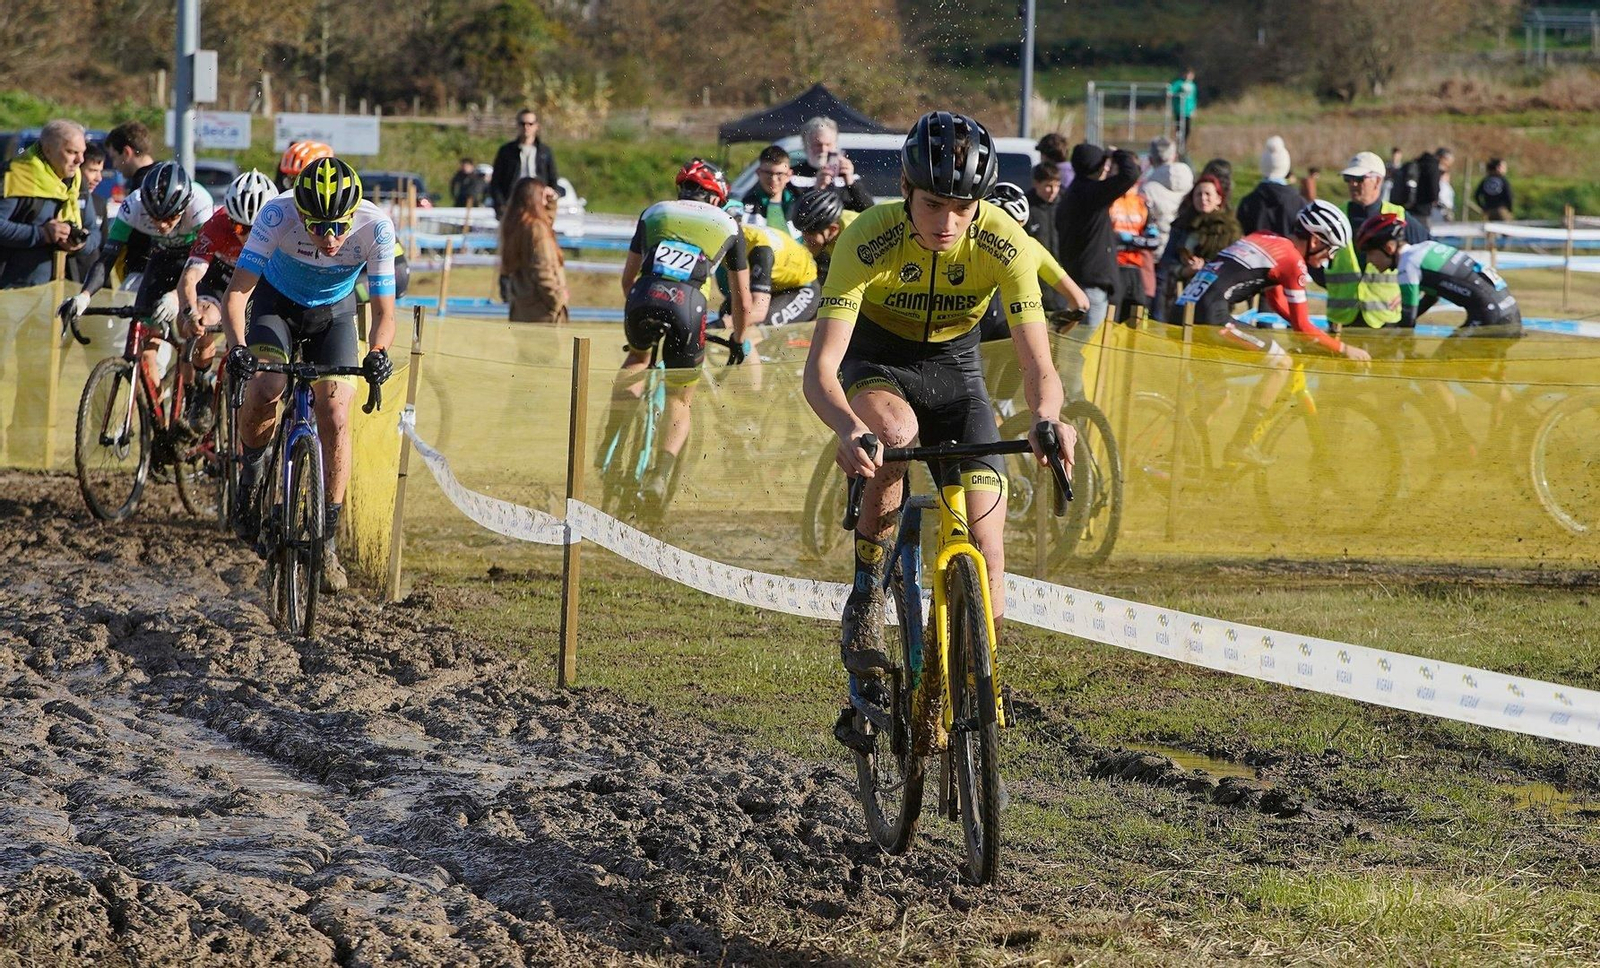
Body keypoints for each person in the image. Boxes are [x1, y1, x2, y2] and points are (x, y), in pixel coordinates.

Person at [800, 111, 1074, 752]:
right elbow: (820, 369)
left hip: (958, 379)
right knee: (892, 434)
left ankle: (983, 678)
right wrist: (846, 427)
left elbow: (1040, 367)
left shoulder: (1003, 240)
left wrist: (1046, 419)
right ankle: (867, 594)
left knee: (987, 536)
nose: (947, 221)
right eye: (932, 204)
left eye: (962, 206)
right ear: (904, 188)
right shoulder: (868, 236)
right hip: (878, 366)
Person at [222, 157, 395, 593]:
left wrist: (377, 352)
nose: (331, 237)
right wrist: (238, 349)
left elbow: (383, 312)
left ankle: (327, 542)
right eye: (318, 226)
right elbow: (237, 293)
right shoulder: (276, 213)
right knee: (267, 386)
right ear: (300, 214)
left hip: (334, 314)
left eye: (339, 225)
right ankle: (251, 473)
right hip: (276, 307)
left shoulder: (376, 227)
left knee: (335, 412)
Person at [600, 159, 753, 509]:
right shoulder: (729, 222)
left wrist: (640, 310)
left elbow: (628, 278)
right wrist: (739, 338)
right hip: (688, 305)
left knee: (638, 357)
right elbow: (742, 300)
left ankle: (612, 440)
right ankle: (660, 474)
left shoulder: (655, 211)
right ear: (716, 198)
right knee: (679, 399)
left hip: (643, 294)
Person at [1176, 200, 1372, 465]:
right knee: (1281, 363)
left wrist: (1314, 335)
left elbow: (1279, 302)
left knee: (1217, 398)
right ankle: (1240, 445)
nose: (1330, 258)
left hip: (1181, 312)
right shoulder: (1293, 261)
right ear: (1315, 241)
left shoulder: (1268, 239)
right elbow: (1303, 326)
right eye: (1331, 250)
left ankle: (1181, 459)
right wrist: (1344, 349)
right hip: (1211, 317)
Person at [61, 161, 214, 345]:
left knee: (189, 331)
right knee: (145, 336)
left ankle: (193, 370)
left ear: (184, 208)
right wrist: (84, 296)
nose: (162, 225)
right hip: (162, 257)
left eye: (171, 217)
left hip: (196, 262)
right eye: (154, 217)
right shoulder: (133, 205)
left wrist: (176, 296)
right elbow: (107, 258)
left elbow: (208, 262)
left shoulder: (200, 206)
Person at [175, 169, 276, 398]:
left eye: (255, 229)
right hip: (219, 280)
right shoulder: (217, 225)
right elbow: (189, 277)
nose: (246, 237)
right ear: (230, 219)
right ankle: (201, 390)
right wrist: (190, 314)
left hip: (259, 284)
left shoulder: (281, 230)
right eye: (239, 228)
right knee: (203, 321)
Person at [1055, 142, 1141, 397]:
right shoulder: (1089, 194)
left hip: (1075, 285)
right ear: (1097, 167)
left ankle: (1072, 397)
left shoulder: (1072, 195)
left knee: (1072, 349)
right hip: (1090, 289)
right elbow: (1130, 175)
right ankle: (1078, 400)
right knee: (1080, 351)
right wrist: (1119, 152)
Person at [1356, 213, 1520, 337]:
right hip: (1510, 311)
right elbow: (1431, 298)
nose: (1369, 261)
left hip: (1490, 315)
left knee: (1440, 366)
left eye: (1370, 253)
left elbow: (1407, 321)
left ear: (1389, 247)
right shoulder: (1425, 248)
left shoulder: (1407, 265)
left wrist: (1389, 334)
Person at [1319, 150, 1426, 331]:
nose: (1352, 184)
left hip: (1387, 321)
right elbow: (1311, 259)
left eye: (1359, 179)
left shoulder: (1399, 217)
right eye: (1348, 179)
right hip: (1343, 321)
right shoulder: (1335, 217)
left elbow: (1429, 256)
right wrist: (1332, 285)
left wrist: (1409, 294)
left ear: (1378, 180)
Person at [0, 119, 87, 289]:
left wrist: (78, 243)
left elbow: (94, 231)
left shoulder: (76, 181)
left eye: (83, 152)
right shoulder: (16, 176)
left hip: (61, 288)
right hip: (13, 292)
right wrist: (41, 234)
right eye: (71, 152)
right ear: (48, 150)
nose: (80, 160)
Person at [718, 203, 820, 329]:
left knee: (758, 326)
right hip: (776, 283)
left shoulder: (760, 248)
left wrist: (720, 325)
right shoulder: (731, 238)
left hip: (802, 288)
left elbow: (758, 313)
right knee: (727, 312)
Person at [1158, 174, 1239, 320]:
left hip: (1215, 298)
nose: (1203, 198)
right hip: (1179, 295)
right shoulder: (1181, 225)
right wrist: (1184, 270)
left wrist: (1206, 268)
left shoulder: (1230, 229)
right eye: (1198, 194)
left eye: (1208, 194)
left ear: (1218, 199)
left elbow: (1234, 266)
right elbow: (1167, 262)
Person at [498, 177, 568, 323]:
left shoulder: (516, 224)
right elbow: (543, 270)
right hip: (542, 310)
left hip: (521, 305)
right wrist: (557, 299)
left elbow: (545, 222)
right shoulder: (536, 228)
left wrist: (551, 202)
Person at [789, 117, 873, 212]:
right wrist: (816, 190)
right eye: (818, 145)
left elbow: (869, 210)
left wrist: (851, 183)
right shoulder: (794, 176)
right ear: (805, 145)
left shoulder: (846, 173)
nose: (823, 150)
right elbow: (794, 214)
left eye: (828, 145)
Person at [490, 110, 561, 216]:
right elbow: (496, 181)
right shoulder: (506, 151)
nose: (526, 127)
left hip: (539, 204)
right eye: (522, 124)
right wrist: (500, 204)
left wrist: (550, 196)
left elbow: (553, 179)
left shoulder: (545, 152)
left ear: (536, 126)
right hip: (513, 204)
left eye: (530, 124)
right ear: (517, 125)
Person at [1236, 136, 1304, 238]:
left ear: (1263, 165)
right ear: (1286, 166)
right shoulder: (1299, 204)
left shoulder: (1247, 203)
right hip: (1287, 253)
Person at [1110, 183, 1158, 320]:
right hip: (1113, 265)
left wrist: (1127, 239)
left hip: (1136, 268)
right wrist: (1136, 240)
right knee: (1112, 314)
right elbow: (1108, 236)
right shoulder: (1110, 200)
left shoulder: (1143, 204)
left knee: (1136, 313)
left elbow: (1154, 241)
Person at [1142, 137, 1193, 257]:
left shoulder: (1147, 189)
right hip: (1185, 252)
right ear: (1174, 156)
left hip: (1156, 251)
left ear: (1150, 159)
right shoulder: (1192, 184)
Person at [792, 188, 857, 281]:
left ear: (833, 229)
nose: (805, 238)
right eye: (803, 231)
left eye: (810, 233)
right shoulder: (821, 233)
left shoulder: (854, 233)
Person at [738, 145, 800, 229]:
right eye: (768, 173)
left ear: (789, 175)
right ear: (758, 172)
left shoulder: (799, 202)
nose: (773, 179)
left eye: (779, 174)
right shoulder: (743, 203)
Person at [70, 143, 107, 282]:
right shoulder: (64, 199)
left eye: (100, 171)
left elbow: (103, 246)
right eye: (92, 170)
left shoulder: (99, 203)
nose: (99, 178)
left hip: (88, 281)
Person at [1023, 163, 1060, 254]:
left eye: (1057, 186)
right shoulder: (1026, 207)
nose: (1053, 191)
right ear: (1036, 183)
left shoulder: (1063, 205)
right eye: (1048, 186)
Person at [1169, 68, 1198, 145]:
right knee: (1179, 127)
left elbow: (1194, 98)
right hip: (1179, 109)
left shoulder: (1193, 85)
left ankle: (1183, 144)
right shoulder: (1179, 83)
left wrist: (1194, 109)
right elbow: (1170, 90)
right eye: (1187, 74)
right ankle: (1178, 144)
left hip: (1188, 110)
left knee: (1187, 128)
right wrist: (1170, 93)